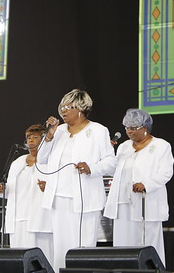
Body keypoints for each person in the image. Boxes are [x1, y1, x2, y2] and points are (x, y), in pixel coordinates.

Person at [38, 89, 117, 272]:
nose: (63, 111)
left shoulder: (98, 130)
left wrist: (92, 168)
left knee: (82, 245)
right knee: (61, 246)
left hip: (84, 198)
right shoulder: (58, 132)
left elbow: (111, 162)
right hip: (59, 198)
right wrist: (48, 136)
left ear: (81, 108)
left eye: (68, 107)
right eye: (62, 107)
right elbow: (41, 158)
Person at [104, 109, 174, 266]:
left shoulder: (161, 146)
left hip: (146, 203)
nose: (129, 131)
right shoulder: (123, 147)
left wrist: (146, 184)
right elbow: (112, 170)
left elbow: (166, 172)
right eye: (127, 128)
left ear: (145, 127)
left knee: (148, 242)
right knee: (123, 244)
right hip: (123, 203)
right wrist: (107, 152)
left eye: (133, 128)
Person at [0, 124, 53, 265]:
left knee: (42, 259)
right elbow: (11, 190)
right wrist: (3, 189)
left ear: (44, 139)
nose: (31, 140)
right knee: (21, 259)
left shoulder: (51, 161)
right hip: (18, 220)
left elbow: (59, 186)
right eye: (28, 137)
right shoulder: (17, 162)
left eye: (35, 137)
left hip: (41, 219)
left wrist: (49, 187)